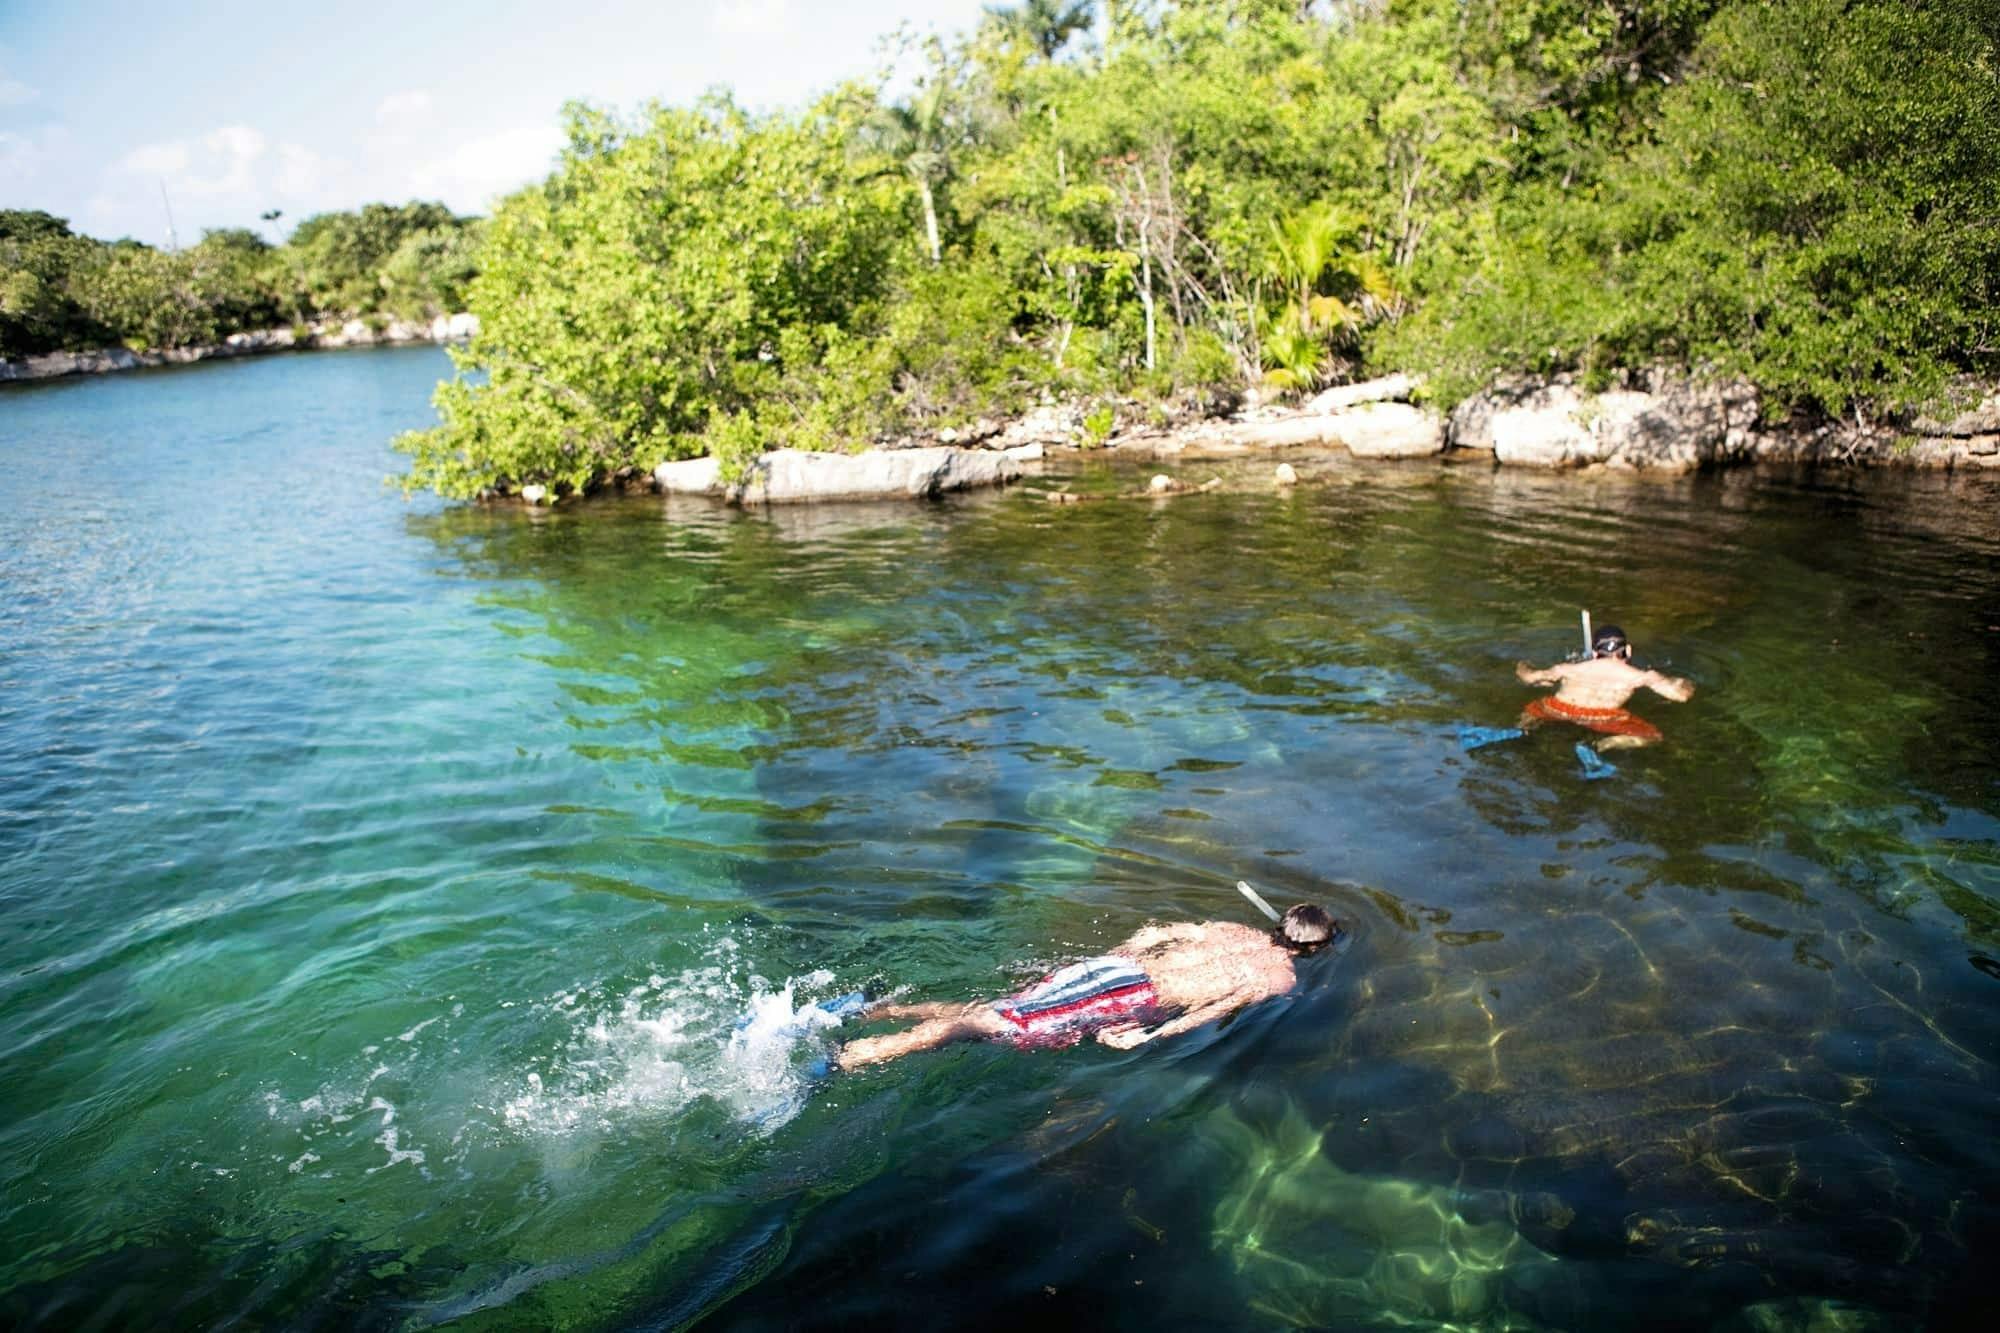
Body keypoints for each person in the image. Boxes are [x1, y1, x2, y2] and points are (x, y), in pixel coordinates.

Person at [833, 904, 1339, 1070]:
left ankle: (868, 1011)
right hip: (1130, 998)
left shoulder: (1232, 930)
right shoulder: (1278, 979)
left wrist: (1119, 953)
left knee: (1002, 1007)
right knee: (989, 1024)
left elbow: (1158, 932)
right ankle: (850, 1055)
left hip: (1112, 971)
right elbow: (1215, 1009)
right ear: (1315, 948)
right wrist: (1149, 1037)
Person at [1515, 623, 1694, 752]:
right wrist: (1681, 682)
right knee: (1653, 736)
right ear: (1628, 650)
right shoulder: (1641, 676)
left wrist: (1523, 666)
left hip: (1558, 709)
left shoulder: (1568, 669)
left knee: (1532, 711)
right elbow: (1681, 696)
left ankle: (1520, 731)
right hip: (1603, 717)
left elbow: (1529, 678)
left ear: (1594, 653)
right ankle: (1604, 745)